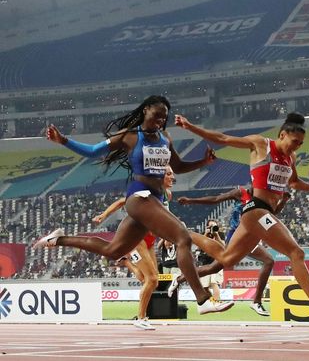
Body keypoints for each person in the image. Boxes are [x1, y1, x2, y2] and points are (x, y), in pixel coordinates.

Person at [34, 95, 231, 315]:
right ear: (146, 110)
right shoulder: (129, 136)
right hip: (139, 196)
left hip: (153, 200)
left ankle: (58, 239)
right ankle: (203, 299)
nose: (160, 120)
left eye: (164, 117)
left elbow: (178, 165)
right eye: (157, 115)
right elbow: (92, 151)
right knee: (182, 237)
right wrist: (63, 141)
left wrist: (204, 162)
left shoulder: (165, 138)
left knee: (113, 250)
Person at [172, 112, 309, 322]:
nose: (297, 147)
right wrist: (190, 126)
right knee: (296, 252)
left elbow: (293, 183)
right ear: (282, 135)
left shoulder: (290, 158)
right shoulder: (261, 144)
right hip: (257, 210)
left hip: (260, 215)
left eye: (301, 144)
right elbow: (222, 139)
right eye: (295, 142)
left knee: (226, 258)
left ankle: (183, 232)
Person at [174, 185, 285, 317]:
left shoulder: (263, 198)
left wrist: (284, 200)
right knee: (268, 260)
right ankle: (256, 302)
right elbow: (216, 199)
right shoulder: (240, 192)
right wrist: (191, 200)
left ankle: (179, 279)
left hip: (251, 235)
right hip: (237, 237)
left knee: (213, 268)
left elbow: (272, 213)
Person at [92, 165, 177, 330]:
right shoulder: (149, 192)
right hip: (137, 239)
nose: (172, 177)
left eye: (173, 174)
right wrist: (104, 215)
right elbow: (122, 202)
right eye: (168, 174)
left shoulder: (168, 195)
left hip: (150, 240)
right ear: (159, 177)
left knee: (150, 280)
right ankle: (141, 318)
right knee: (152, 279)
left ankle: (126, 263)